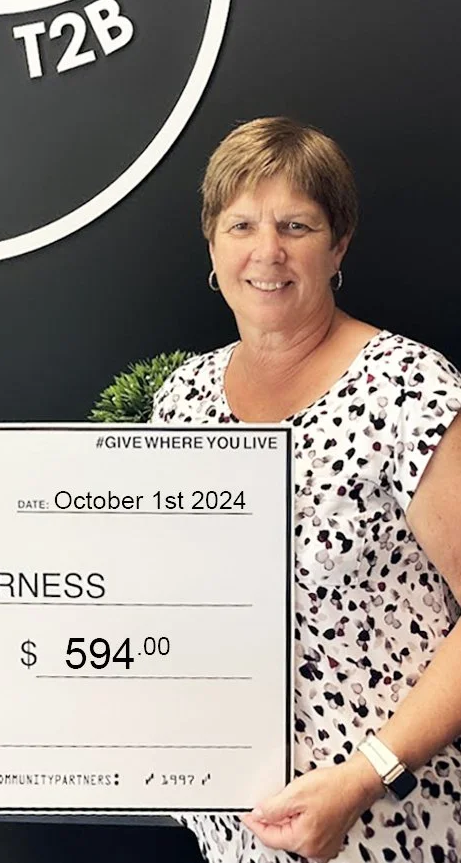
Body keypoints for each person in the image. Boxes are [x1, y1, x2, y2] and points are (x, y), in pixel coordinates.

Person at [152, 116, 461, 862]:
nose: (267, 252)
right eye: (241, 225)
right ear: (212, 245)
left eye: (296, 225)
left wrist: (364, 777)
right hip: (236, 831)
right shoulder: (181, 400)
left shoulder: (408, 389)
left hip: (388, 824)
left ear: (338, 246)